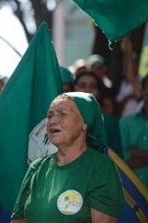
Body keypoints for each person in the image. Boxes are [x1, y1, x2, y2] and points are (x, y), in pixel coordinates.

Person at [12, 92, 124, 222]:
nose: (52, 121)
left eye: (62, 114)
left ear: (85, 123)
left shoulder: (101, 168)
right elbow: (18, 219)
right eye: (49, 115)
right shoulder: (37, 167)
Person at [120, 71, 148, 200]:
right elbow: (122, 159)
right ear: (142, 90)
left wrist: (133, 151)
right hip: (129, 200)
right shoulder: (125, 122)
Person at [73, 71, 122, 157]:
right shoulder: (63, 121)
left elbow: (118, 160)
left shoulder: (110, 123)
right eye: (82, 86)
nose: (87, 90)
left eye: (93, 87)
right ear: (73, 90)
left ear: (98, 93)